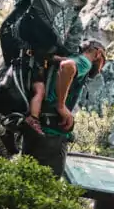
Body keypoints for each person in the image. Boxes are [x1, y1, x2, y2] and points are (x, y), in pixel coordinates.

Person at [21, 40, 107, 177]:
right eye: (104, 59)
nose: (102, 65)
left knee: (25, 181)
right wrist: (61, 105)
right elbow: (67, 66)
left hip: (36, 127)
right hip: (51, 134)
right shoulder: (85, 62)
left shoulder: (68, 57)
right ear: (97, 53)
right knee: (46, 186)